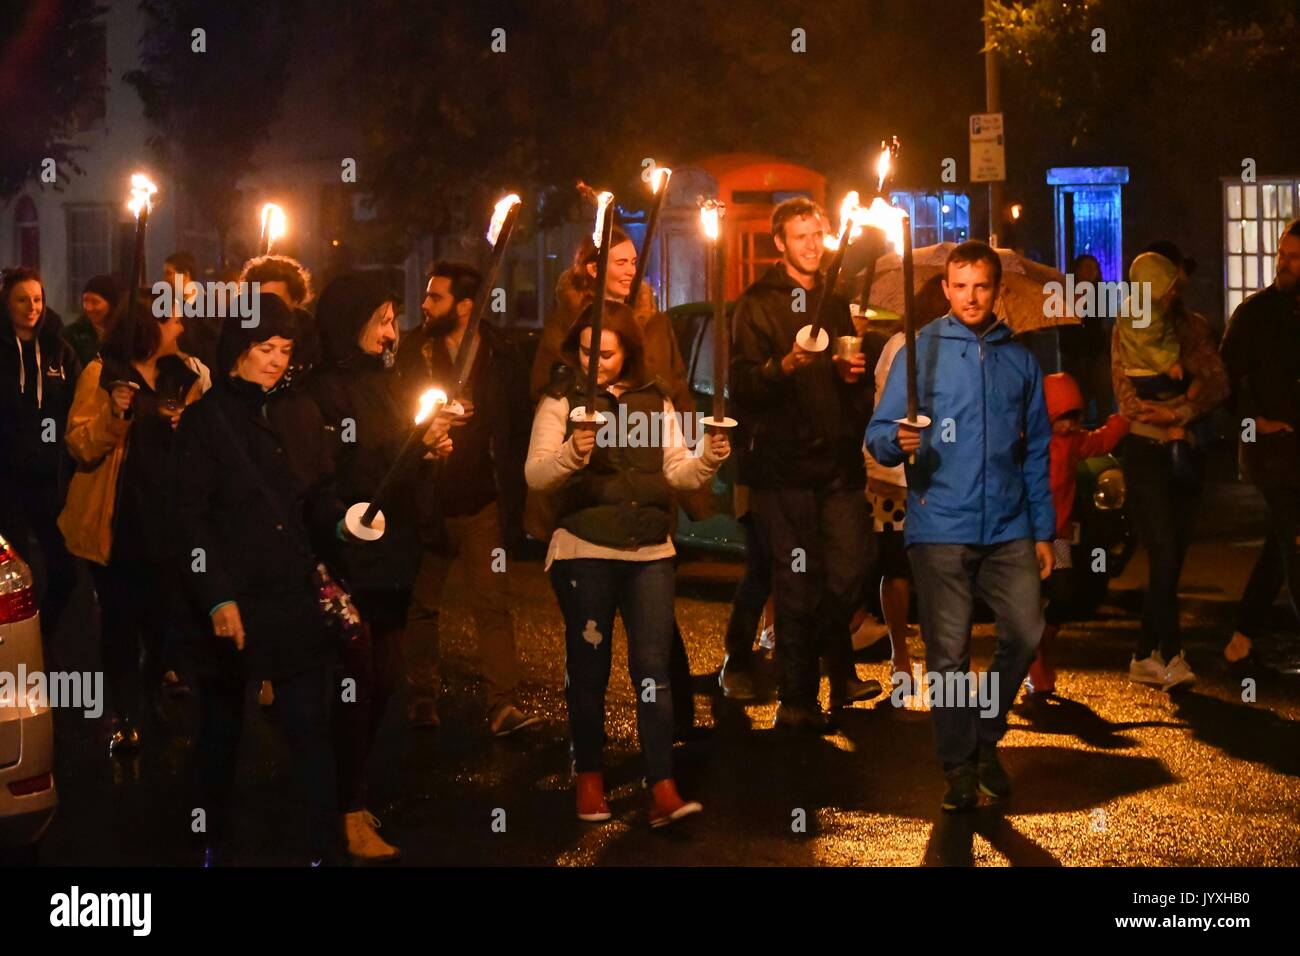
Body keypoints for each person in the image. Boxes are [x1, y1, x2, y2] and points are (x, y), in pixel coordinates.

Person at [867, 240, 1055, 812]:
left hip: (1008, 526)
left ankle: (982, 737)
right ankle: (958, 767)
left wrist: (1043, 530)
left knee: (1025, 632)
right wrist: (896, 441)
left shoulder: (1020, 361)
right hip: (938, 522)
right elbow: (877, 433)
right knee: (947, 654)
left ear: (996, 291)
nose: (971, 296)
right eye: (960, 285)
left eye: (981, 286)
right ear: (945, 289)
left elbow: (1037, 452)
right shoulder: (918, 353)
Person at [525, 301, 729, 826]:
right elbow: (537, 475)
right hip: (585, 549)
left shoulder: (653, 401)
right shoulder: (561, 399)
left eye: (608, 353)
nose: (596, 362)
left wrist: (707, 458)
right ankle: (588, 779)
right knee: (589, 669)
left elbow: (679, 473)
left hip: (650, 553)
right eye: (588, 351)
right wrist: (573, 450)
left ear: (629, 353)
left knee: (653, 671)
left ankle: (662, 784)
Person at [172, 293, 346, 866]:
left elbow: (315, 494)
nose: (275, 360)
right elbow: (190, 515)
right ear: (238, 351)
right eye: (264, 348)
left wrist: (346, 519)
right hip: (234, 597)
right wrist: (217, 594)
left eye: (285, 349)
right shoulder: (206, 419)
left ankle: (322, 848)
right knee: (222, 730)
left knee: (309, 728)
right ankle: (209, 840)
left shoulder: (298, 411)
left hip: (290, 592)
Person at [531, 225, 711, 735]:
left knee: (653, 623)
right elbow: (546, 386)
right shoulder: (573, 321)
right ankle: (589, 749)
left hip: (648, 480)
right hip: (593, 495)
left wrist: (692, 448)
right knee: (593, 638)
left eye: (636, 261)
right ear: (594, 268)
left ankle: (669, 736)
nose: (634, 269)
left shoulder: (650, 319)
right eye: (622, 261)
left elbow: (672, 386)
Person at [308, 273, 451, 862]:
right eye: (383, 319)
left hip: (393, 557)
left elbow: (402, 464)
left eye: (394, 319)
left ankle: (349, 784)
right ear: (352, 323)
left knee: (386, 677)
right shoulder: (327, 391)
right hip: (347, 556)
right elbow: (348, 469)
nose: (393, 332)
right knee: (354, 679)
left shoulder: (391, 384)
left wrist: (431, 452)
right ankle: (343, 806)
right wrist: (409, 449)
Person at [730, 197, 881, 732]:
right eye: (800, 237)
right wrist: (783, 366)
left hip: (836, 465)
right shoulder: (756, 304)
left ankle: (825, 667)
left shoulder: (835, 302)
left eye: (817, 235)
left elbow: (854, 385)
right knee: (795, 583)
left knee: (848, 572)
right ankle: (797, 700)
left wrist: (851, 376)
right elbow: (741, 384)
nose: (812, 246)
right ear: (780, 244)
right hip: (783, 468)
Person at [59, 295, 208, 752]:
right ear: (148, 327)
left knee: (164, 620)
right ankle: (123, 711)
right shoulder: (103, 374)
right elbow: (80, 444)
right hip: (120, 521)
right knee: (121, 623)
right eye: (171, 320)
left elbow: (204, 443)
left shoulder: (181, 377)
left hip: (168, 522)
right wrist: (114, 414)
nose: (180, 327)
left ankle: (150, 692)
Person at [396, 261, 536, 736]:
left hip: (482, 501)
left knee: (493, 603)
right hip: (428, 497)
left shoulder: (500, 353)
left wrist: (515, 495)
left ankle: (502, 704)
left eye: (435, 297)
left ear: (465, 306)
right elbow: (395, 413)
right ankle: (421, 694)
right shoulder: (414, 350)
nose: (425, 305)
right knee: (422, 603)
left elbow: (517, 426)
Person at [1111, 249, 1228, 691]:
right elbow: (1127, 399)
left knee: (1172, 557)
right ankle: (1173, 655)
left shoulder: (1192, 327)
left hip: (1184, 451)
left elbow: (1217, 381)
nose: (1173, 292)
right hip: (1143, 451)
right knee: (1161, 550)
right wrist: (1180, 395)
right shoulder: (1125, 328)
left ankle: (1144, 654)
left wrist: (1179, 410)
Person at [1219, 218, 1300, 672]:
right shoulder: (1254, 314)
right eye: (1281, 254)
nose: (1283, 263)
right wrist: (1255, 423)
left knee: (1281, 544)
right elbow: (1224, 381)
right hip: (1274, 456)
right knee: (1295, 544)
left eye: (1293, 256)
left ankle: (1243, 634)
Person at [1025, 373, 1128, 696]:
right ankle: (1032, 661)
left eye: (1074, 418)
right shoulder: (1029, 441)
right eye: (1062, 418)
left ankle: (1042, 641)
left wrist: (1122, 419)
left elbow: (1100, 441)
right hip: (1026, 534)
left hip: (1058, 535)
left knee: (1064, 593)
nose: (1070, 425)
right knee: (1026, 596)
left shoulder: (1072, 441)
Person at [0, 267, 81, 641]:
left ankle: (42, 634)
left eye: (37, 299)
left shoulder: (59, 351)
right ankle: (17, 647)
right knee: (18, 572)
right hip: (6, 481)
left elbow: (78, 408)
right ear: (6, 302)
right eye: (22, 299)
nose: (31, 307)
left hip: (49, 479)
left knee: (64, 568)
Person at [864, 328, 917, 679]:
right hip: (893, 475)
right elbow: (885, 407)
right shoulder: (901, 346)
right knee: (895, 564)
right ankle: (900, 653)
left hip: (937, 475)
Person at [1114, 252, 1186, 401]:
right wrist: (1169, 364)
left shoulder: (1141, 306)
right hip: (1148, 373)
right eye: (1169, 288)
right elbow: (1146, 344)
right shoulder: (1146, 312)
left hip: (1141, 371)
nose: (1174, 293)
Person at [62, 275, 121, 367]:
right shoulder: (72, 335)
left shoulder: (122, 334)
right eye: (85, 301)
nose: (88, 308)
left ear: (111, 304)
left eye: (95, 302)